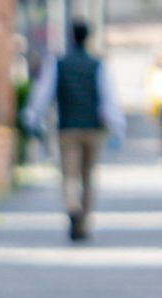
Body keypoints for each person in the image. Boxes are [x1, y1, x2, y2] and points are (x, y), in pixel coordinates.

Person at [23, 20, 126, 241]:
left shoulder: (58, 63)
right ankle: (84, 220)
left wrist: (33, 119)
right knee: (88, 177)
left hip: (67, 128)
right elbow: (108, 99)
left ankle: (72, 207)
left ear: (70, 36)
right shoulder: (98, 65)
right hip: (93, 129)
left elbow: (43, 94)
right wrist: (117, 127)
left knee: (69, 174)